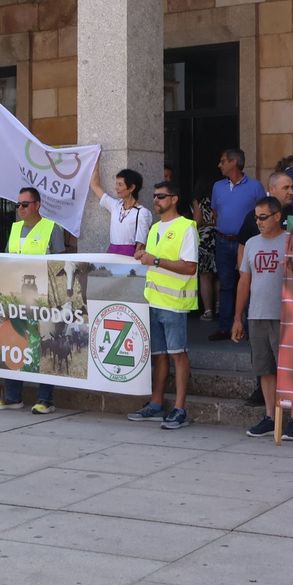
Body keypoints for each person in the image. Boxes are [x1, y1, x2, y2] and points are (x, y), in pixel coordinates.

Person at [126, 179, 198, 429]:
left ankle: (179, 409)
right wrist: (143, 257)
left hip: (175, 302)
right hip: (153, 301)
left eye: (161, 196)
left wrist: (155, 260)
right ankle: (156, 404)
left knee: (178, 354)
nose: (156, 200)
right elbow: (153, 261)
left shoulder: (186, 227)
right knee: (159, 356)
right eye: (155, 196)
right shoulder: (155, 227)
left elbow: (189, 267)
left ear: (174, 199)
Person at [231, 197, 293, 441]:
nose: (258, 222)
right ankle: (270, 416)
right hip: (257, 314)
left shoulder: (292, 242)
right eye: (256, 218)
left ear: (277, 216)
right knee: (265, 369)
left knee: (289, 369)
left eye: (263, 217)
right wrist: (237, 317)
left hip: (286, 316)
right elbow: (244, 281)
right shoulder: (251, 243)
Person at [0, 186, 65, 414]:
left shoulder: (52, 228)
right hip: (16, 298)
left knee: (45, 344)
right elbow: (7, 260)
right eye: (18, 205)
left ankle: (46, 399)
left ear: (37, 205)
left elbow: (60, 265)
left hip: (43, 298)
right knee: (14, 342)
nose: (20, 209)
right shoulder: (14, 229)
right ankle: (12, 396)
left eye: (25, 204)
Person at [212, 150, 266, 332]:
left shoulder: (255, 186)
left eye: (223, 161)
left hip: (248, 243)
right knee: (225, 284)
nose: (219, 165)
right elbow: (215, 212)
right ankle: (225, 328)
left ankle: (251, 329)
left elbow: (263, 213)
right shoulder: (217, 186)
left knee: (250, 283)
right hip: (223, 240)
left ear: (234, 162)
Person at [89, 167, 152, 257]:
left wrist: (135, 261)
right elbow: (94, 185)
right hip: (111, 253)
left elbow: (141, 244)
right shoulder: (115, 206)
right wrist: (96, 161)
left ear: (132, 188)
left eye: (120, 184)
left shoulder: (142, 212)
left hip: (129, 256)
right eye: (116, 184)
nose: (116, 188)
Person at [195, 191, 217, 321]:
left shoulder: (199, 199)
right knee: (218, 275)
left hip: (204, 237)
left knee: (205, 276)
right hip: (218, 235)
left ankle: (208, 310)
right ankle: (219, 307)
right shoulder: (218, 196)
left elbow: (198, 220)